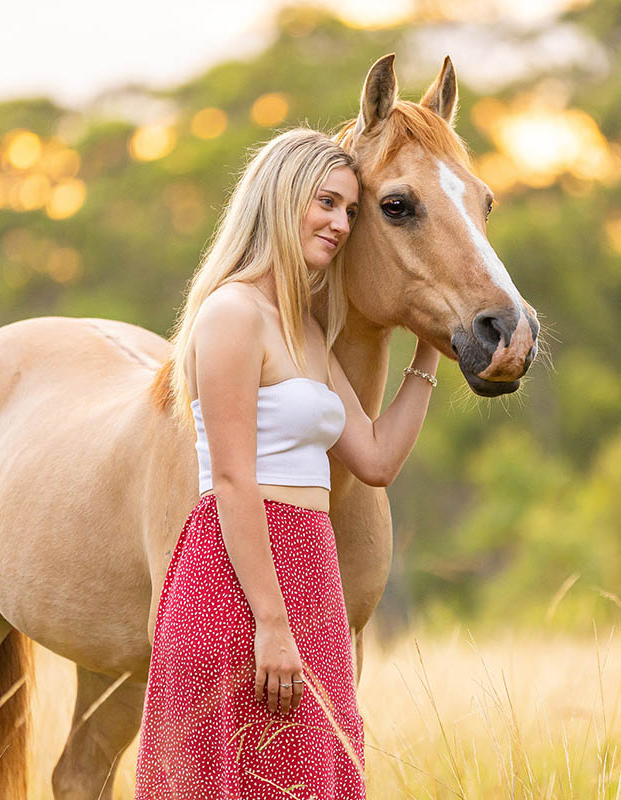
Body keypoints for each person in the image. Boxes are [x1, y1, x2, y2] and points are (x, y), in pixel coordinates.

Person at [134, 127, 440, 799]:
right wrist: (271, 622)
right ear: (280, 197)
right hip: (238, 580)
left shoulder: (305, 331)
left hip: (313, 576)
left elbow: (377, 459)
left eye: (352, 211)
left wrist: (428, 352)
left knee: (313, 777)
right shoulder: (231, 314)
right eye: (326, 203)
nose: (340, 224)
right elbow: (235, 480)